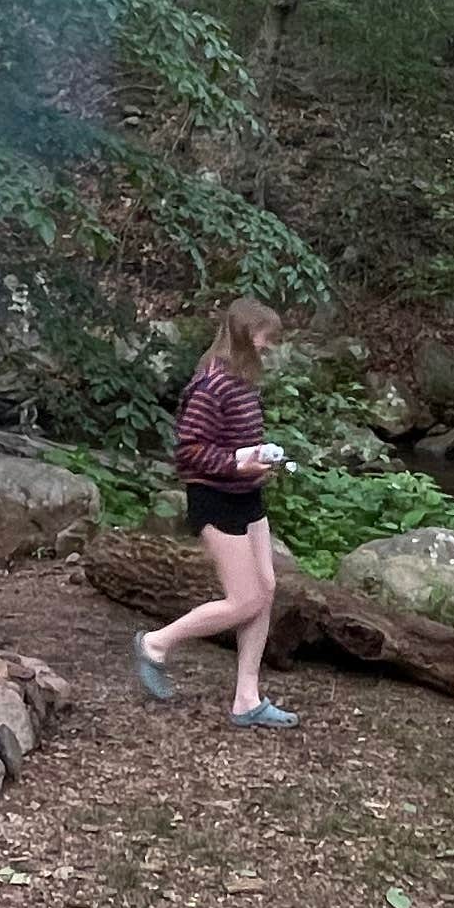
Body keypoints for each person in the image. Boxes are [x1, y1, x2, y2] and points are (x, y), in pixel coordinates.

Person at [132, 296, 298, 727]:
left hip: (247, 496)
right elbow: (189, 454)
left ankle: (247, 699)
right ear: (246, 334)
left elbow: (236, 442)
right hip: (215, 499)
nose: (270, 346)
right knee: (245, 598)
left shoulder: (242, 379)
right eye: (266, 337)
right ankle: (155, 643)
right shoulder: (210, 385)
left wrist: (261, 461)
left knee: (266, 588)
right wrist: (238, 463)